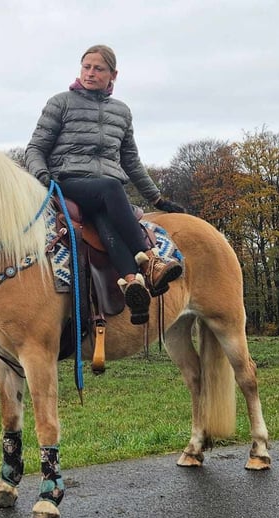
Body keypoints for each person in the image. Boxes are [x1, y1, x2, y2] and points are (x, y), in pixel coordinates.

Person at [25, 44, 184, 325]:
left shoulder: (121, 112)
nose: (90, 73)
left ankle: (131, 282)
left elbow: (131, 161)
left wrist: (158, 200)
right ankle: (151, 261)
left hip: (104, 193)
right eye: (86, 67)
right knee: (111, 189)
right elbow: (35, 149)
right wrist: (42, 176)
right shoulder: (60, 103)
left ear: (113, 75)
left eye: (98, 68)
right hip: (69, 182)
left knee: (106, 219)